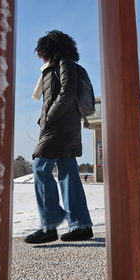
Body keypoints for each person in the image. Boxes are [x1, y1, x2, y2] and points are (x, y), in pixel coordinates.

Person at [24, 30, 94, 244]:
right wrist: (44, 120)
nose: (40, 55)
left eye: (42, 51)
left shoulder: (64, 64)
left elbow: (67, 91)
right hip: (64, 126)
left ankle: (50, 224)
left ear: (50, 49)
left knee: (40, 167)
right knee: (68, 172)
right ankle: (81, 225)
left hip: (60, 126)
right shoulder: (55, 67)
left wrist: (50, 117)